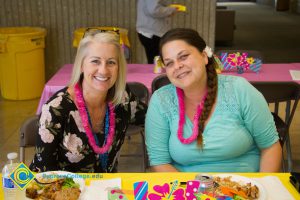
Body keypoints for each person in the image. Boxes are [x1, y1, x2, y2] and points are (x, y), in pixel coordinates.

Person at [145, 28, 282, 172]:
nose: (177, 66)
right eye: (169, 63)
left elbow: (270, 146)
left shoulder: (239, 89)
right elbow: (159, 162)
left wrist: (265, 187)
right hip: (188, 190)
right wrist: (193, 192)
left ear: (204, 56)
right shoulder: (161, 100)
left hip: (246, 187)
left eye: (184, 56)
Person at [30, 31, 147, 173]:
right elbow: (44, 172)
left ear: (119, 67)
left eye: (111, 62)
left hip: (107, 189)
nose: (103, 70)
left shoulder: (123, 98)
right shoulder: (56, 108)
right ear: (81, 65)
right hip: (65, 190)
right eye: (95, 61)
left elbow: (153, 119)